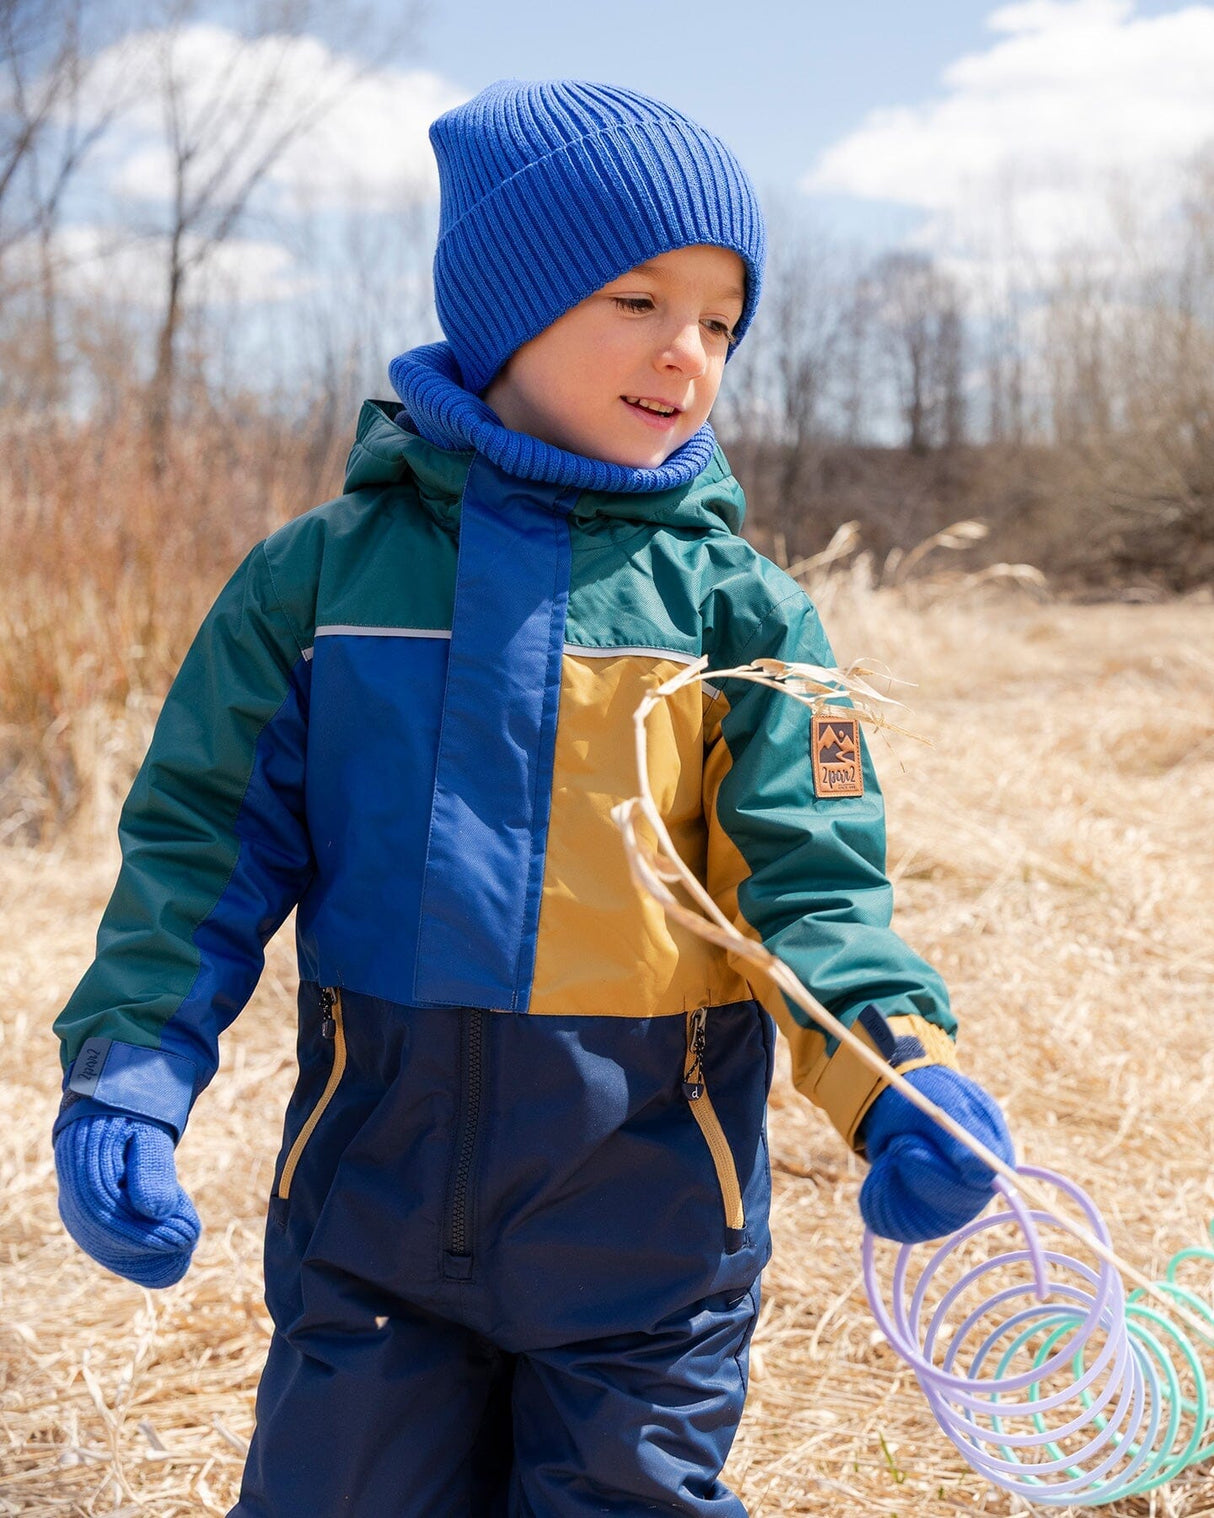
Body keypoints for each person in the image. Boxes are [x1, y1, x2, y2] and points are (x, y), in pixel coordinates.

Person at [51, 79, 1013, 1516]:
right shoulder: (312, 587)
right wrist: (129, 1071)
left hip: (647, 1237)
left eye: (720, 321)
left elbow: (812, 891)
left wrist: (895, 1078)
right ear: (506, 308)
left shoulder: (742, 617)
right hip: (369, 1224)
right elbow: (198, 846)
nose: (686, 351)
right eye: (638, 298)